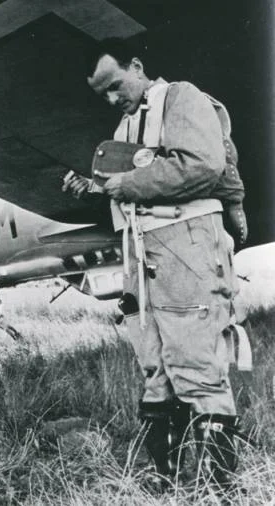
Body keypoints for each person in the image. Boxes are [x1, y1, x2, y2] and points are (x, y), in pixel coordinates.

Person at [63, 39, 248, 487]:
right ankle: (164, 480)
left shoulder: (182, 97)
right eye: (101, 94)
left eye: (115, 86)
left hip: (186, 251)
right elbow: (139, 187)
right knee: (156, 369)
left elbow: (205, 165)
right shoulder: (130, 125)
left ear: (138, 65)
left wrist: (127, 183)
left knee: (197, 366)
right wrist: (96, 189)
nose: (112, 99)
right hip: (144, 258)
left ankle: (214, 489)